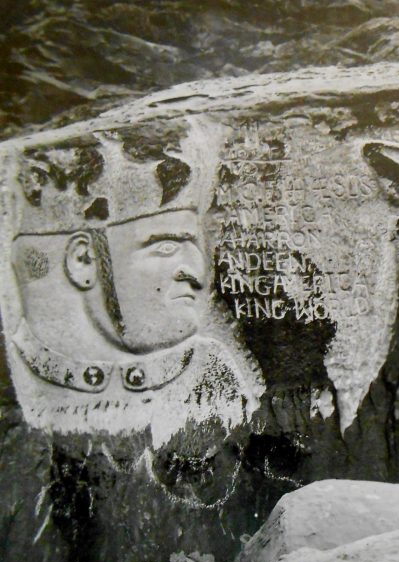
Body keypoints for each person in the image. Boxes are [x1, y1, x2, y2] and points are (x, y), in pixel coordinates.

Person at [7, 118, 258, 447]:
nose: (196, 271)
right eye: (166, 247)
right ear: (83, 261)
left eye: (192, 244)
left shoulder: (210, 371)